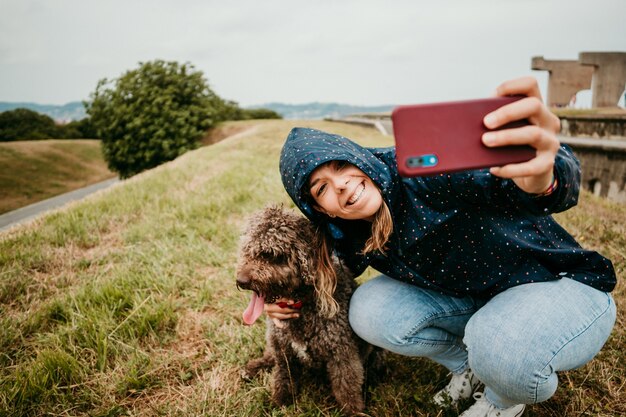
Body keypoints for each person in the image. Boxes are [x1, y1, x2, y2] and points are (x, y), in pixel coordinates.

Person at [268, 77, 617, 417]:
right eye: (321, 189)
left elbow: (535, 184)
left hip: (558, 283)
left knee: (499, 349)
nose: (341, 185)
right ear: (319, 209)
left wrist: (542, 178)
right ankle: (470, 365)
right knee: (368, 309)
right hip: (482, 294)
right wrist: (276, 300)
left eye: (341, 165)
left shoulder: (424, 171)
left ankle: (503, 396)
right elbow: (319, 274)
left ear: (358, 156)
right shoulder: (348, 229)